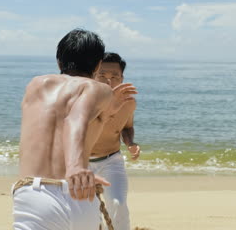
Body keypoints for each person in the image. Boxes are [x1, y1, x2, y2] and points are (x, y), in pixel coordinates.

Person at [12, 29, 137, 230]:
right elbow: (75, 118)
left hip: (34, 194)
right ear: (98, 65)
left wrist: (108, 110)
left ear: (59, 62)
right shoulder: (97, 89)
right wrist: (76, 166)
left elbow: (65, 116)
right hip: (80, 194)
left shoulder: (35, 85)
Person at [90, 52, 140, 230]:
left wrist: (131, 143)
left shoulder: (128, 103)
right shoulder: (84, 100)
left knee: (118, 205)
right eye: (102, 76)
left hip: (111, 161)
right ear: (93, 75)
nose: (108, 81)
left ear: (122, 78)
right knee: (88, 214)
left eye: (114, 76)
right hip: (81, 164)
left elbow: (126, 127)